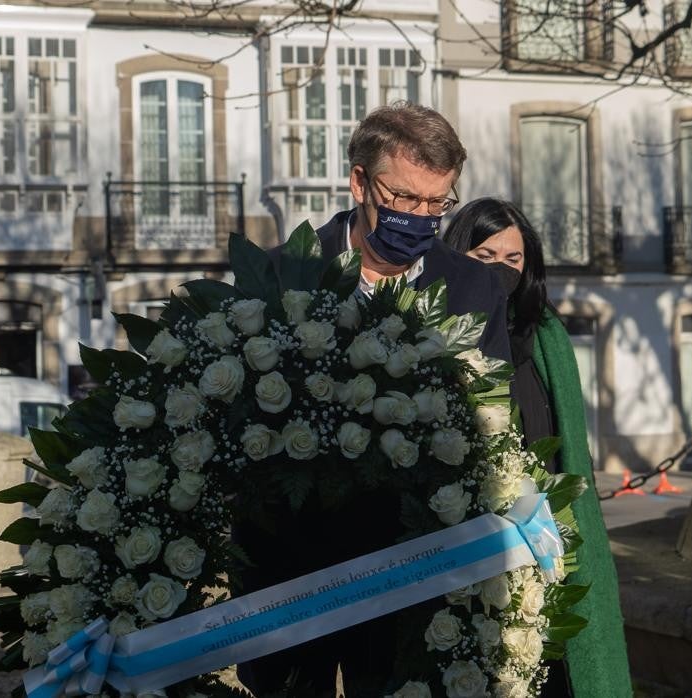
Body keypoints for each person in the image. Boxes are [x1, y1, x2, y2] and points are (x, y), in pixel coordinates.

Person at [237, 103, 512, 697]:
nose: (421, 217)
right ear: (359, 180)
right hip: (291, 572)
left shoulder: (475, 287)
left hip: (416, 579)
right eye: (404, 198)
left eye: (438, 203)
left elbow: (492, 423)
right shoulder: (279, 278)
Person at [443, 198, 633, 698]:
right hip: (468, 544)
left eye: (513, 260)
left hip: (545, 541)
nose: (501, 272)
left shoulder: (544, 335)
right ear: (457, 255)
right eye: (485, 257)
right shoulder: (438, 332)